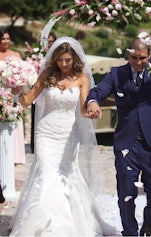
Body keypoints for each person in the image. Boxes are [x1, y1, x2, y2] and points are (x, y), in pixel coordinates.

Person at [86, 26, 151, 236]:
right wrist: (93, 102)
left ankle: (149, 219)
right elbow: (99, 90)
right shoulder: (117, 73)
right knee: (126, 191)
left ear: (149, 55)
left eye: (142, 58)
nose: (139, 62)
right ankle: (130, 232)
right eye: (134, 58)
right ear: (128, 54)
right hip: (127, 142)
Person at [9, 36, 116, 236]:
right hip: (45, 132)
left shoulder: (82, 78)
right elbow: (28, 99)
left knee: (65, 174)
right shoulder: (47, 75)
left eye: (67, 60)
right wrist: (16, 91)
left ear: (74, 59)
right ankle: (40, 225)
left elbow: (83, 110)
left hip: (68, 133)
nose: (64, 64)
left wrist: (93, 110)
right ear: (55, 59)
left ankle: (67, 224)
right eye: (60, 60)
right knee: (46, 174)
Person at [0, 28, 26, 165]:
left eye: (7, 38)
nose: (5, 41)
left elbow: (22, 74)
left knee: (14, 119)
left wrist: (19, 88)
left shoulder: (15, 54)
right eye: (3, 39)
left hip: (13, 93)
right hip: (0, 91)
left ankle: (15, 156)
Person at [30, 31, 57, 153]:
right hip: (38, 90)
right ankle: (35, 145)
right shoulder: (38, 57)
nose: (50, 44)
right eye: (48, 42)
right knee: (36, 116)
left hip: (53, 92)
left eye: (52, 41)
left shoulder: (58, 58)